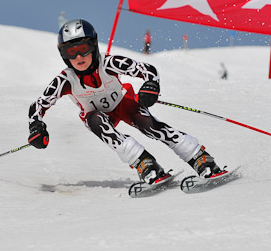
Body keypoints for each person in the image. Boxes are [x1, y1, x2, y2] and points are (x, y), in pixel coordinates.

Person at [27, 19, 223, 184]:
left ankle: (200, 158)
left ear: (93, 46)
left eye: (84, 49)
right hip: (98, 116)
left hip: (123, 104)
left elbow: (148, 69)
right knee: (95, 121)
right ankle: (145, 164)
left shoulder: (109, 63)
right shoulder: (65, 80)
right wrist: (36, 126)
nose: (79, 56)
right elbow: (38, 105)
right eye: (71, 52)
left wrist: (151, 85)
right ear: (64, 55)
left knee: (148, 124)